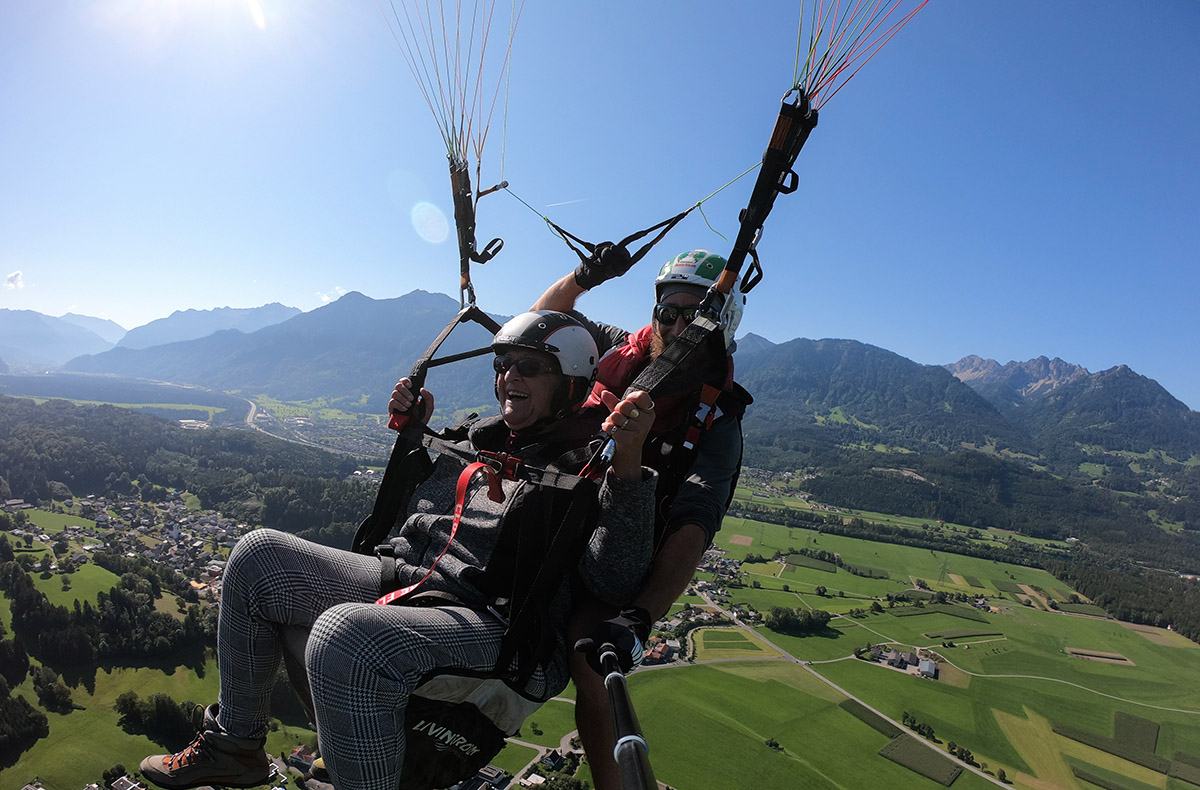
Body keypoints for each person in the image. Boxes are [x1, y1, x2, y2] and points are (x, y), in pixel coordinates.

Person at [139, 311, 658, 790]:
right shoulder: (484, 436)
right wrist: (413, 436)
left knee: (344, 638)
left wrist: (629, 468)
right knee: (257, 558)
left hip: (504, 624)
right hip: (419, 579)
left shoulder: (594, 464)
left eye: (528, 366)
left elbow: (613, 580)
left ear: (570, 382)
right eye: (502, 364)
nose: (508, 377)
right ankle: (236, 745)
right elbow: (417, 522)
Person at [532, 249, 751, 790]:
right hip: (553, 510)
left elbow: (695, 527)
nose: (675, 326)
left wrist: (641, 616)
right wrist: (585, 277)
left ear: (718, 326)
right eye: (666, 312)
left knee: (591, 664)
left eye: (691, 315)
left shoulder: (717, 422)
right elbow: (543, 327)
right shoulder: (622, 350)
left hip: (621, 547)